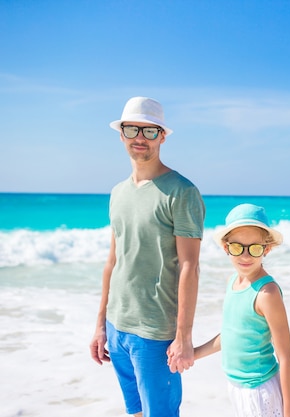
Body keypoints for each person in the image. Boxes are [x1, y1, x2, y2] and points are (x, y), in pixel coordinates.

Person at [89, 96, 206, 417]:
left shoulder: (182, 192)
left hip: (155, 333)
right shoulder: (117, 193)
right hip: (117, 327)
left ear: (163, 136)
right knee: (135, 413)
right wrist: (101, 325)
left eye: (150, 131)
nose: (140, 137)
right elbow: (113, 261)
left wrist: (183, 336)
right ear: (121, 134)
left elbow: (190, 267)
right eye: (132, 129)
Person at [192, 203, 290, 417]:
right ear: (226, 247)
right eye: (238, 247)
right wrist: (193, 354)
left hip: (259, 391)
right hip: (237, 388)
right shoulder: (233, 282)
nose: (246, 256)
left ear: (266, 249)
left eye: (255, 248)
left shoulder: (267, 293)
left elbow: (285, 356)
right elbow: (230, 337)